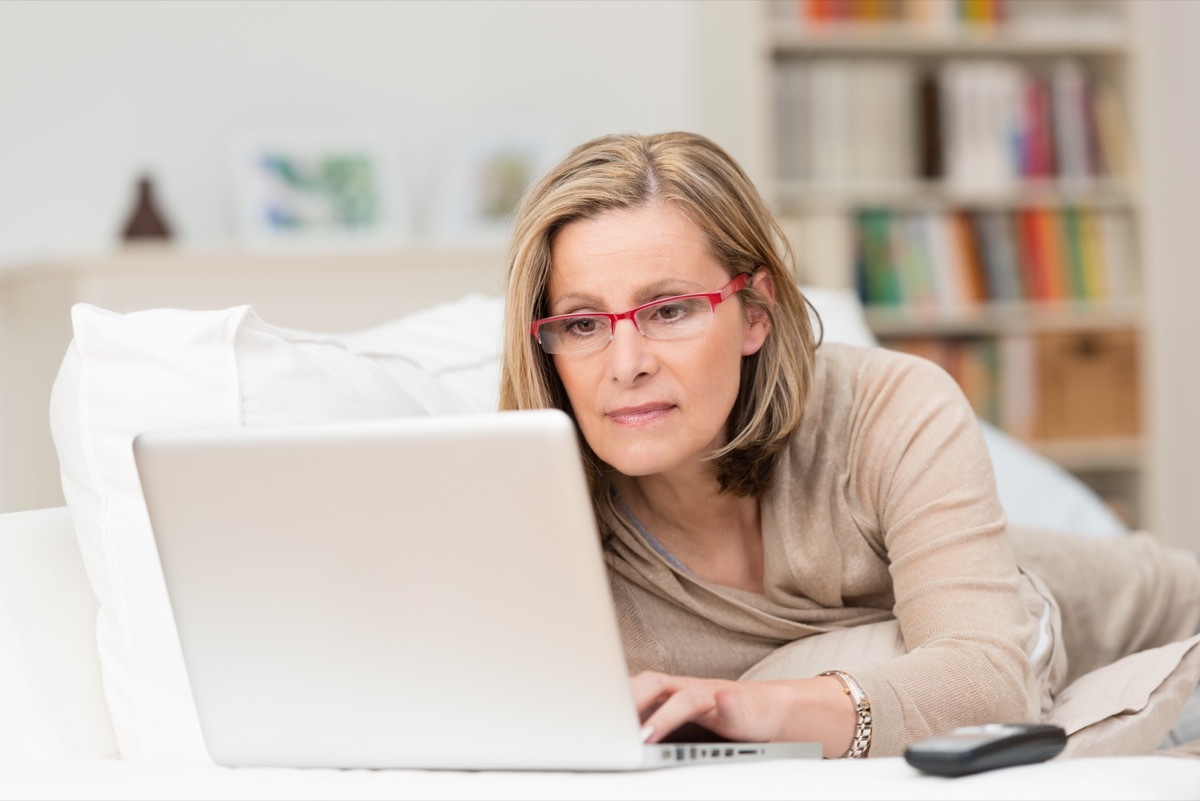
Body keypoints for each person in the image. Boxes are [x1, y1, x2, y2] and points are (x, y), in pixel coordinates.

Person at [497, 131, 1200, 759]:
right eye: (583, 323)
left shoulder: (890, 406)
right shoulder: (544, 527)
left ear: (755, 314)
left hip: (1164, 630)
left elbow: (989, 679)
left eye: (670, 310)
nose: (626, 364)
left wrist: (759, 708)